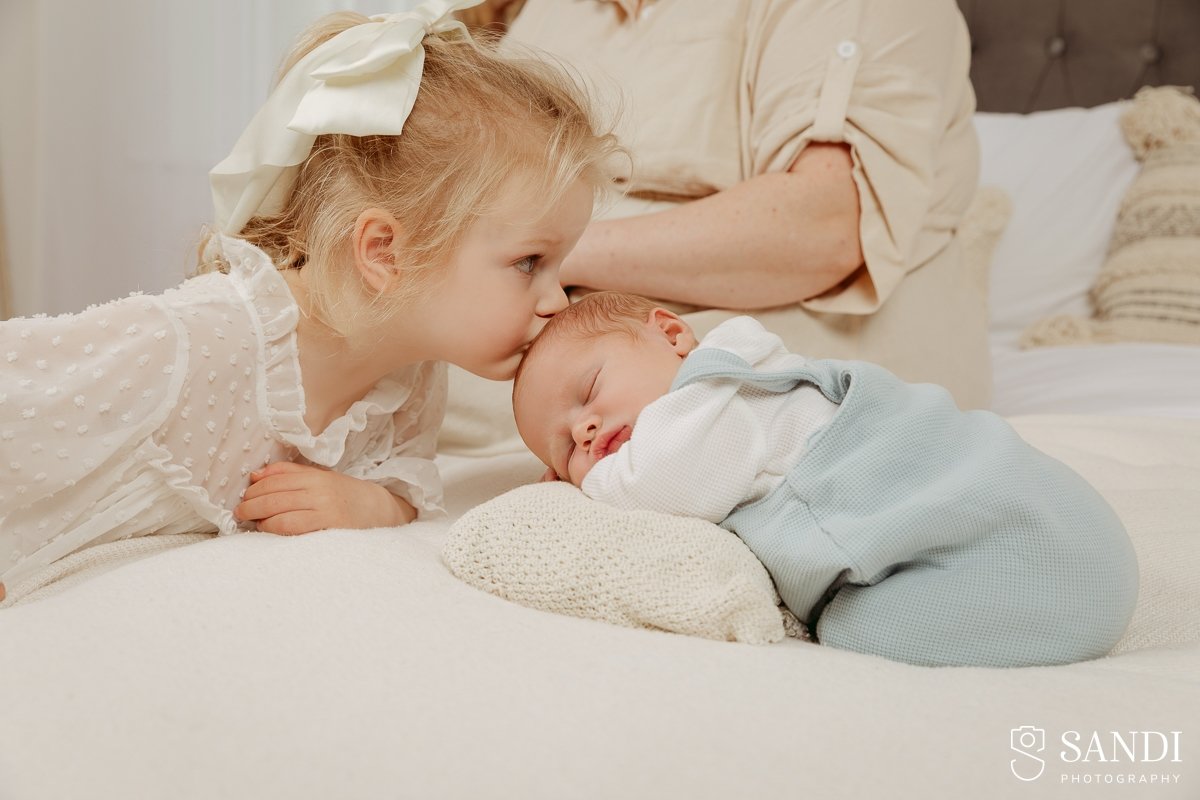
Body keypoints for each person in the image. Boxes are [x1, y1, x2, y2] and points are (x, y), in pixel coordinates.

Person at [0, 0, 620, 603]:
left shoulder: (413, 374)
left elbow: (404, 479)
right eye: (529, 264)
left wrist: (365, 502)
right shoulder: (204, 339)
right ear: (385, 253)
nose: (557, 300)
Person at [440, 0, 991, 459]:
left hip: (766, 337)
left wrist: (539, 257)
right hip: (547, 331)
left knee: (402, 378)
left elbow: (823, 228)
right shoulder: (547, 14)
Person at [511, 292, 1139, 667]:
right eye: (566, 446)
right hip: (1070, 539)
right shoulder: (761, 366)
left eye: (588, 391)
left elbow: (657, 483)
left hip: (984, 515)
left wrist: (579, 483)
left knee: (849, 627)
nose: (586, 431)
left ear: (672, 333)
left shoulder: (714, 399)